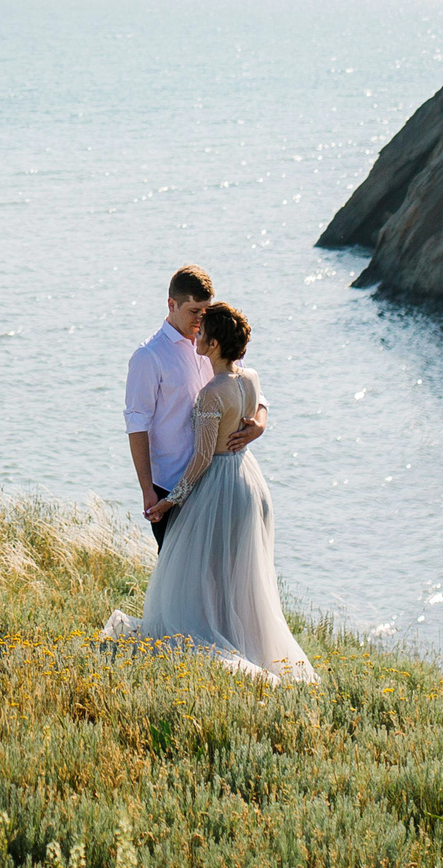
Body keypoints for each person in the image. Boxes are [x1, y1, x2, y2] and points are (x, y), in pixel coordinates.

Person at [109, 300, 315, 683]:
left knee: (190, 578)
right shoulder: (249, 378)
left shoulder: (211, 395)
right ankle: (249, 644)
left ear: (215, 344)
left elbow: (203, 457)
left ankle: (222, 650)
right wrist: (257, 425)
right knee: (239, 578)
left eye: (203, 332)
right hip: (250, 481)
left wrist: (170, 500)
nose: (197, 335)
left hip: (219, 485)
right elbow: (257, 407)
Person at [124, 265, 263, 550]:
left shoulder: (215, 340)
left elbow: (253, 391)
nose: (201, 319)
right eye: (194, 311)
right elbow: (137, 423)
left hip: (218, 482)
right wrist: (147, 489)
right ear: (171, 304)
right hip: (172, 483)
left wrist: (258, 425)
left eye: (206, 311)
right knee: (178, 577)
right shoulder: (149, 356)